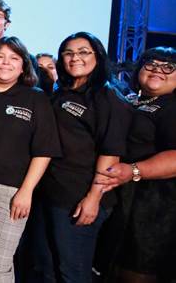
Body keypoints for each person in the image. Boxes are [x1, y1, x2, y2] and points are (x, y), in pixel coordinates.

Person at [34, 31, 132, 283]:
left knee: (73, 272)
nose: (75, 57)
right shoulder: (63, 91)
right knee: (48, 268)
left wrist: (93, 198)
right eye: (68, 53)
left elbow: (111, 153)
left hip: (78, 199)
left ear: (97, 56)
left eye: (83, 52)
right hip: (51, 194)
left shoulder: (108, 97)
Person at [0, 36, 61, 283]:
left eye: (14, 58)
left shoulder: (35, 98)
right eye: (0, 56)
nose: (6, 63)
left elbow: (44, 150)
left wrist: (26, 191)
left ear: (23, 66)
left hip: (11, 193)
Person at [97, 47, 176, 282]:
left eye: (168, 66)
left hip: (155, 206)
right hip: (121, 199)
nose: (157, 70)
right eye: (150, 64)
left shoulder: (172, 107)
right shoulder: (131, 100)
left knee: (136, 271)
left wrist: (133, 171)